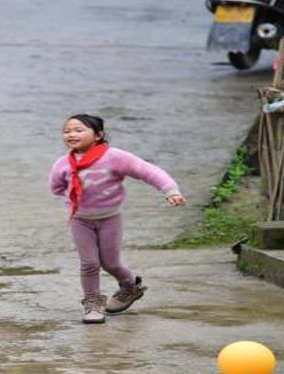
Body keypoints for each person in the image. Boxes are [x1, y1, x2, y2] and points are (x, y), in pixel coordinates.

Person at [50, 114, 186, 324]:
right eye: (67, 131)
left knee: (111, 263)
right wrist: (77, 197)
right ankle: (93, 305)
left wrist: (170, 191)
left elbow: (147, 171)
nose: (71, 134)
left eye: (78, 130)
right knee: (89, 263)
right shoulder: (63, 163)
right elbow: (56, 187)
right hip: (80, 220)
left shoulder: (115, 157)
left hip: (109, 218)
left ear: (98, 135)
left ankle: (130, 287)